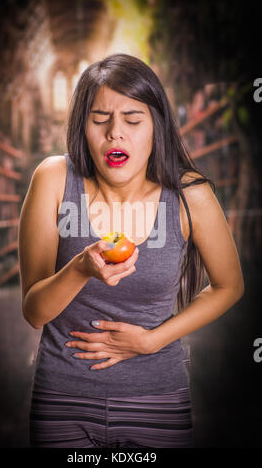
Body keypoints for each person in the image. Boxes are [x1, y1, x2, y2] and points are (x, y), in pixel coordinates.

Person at [18, 53, 244, 448]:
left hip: (157, 398)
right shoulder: (54, 179)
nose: (115, 134)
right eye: (100, 119)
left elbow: (229, 286)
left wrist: (152, 341)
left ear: (156, 126)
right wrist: (80, 269)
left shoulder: (190, 194)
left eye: (133, 120)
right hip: (63, 398)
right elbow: (34, 313)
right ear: (81, 127)